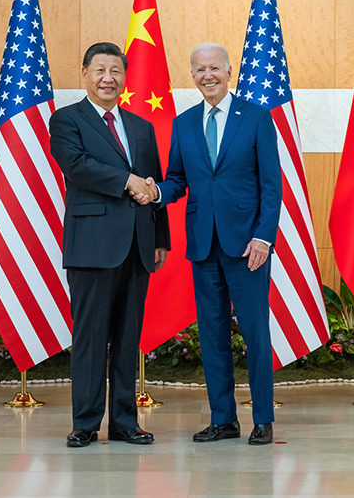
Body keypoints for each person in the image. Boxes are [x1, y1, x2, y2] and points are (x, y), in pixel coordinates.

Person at [139, 42, 281, 445]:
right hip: (203, 246)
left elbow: (271, 185)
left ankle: (264, 419)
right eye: (199, 70)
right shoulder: (183, 124)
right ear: (192, 75)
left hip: (248, 247)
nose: (207, 76)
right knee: (212, 334)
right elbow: (178, 180)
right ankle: (224, 419)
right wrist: (156, 192)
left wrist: (263, 237)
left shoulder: (256, 118)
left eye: (214, 68)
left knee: (255, 332)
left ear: (229, 71)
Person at [49, 42, 170, 448]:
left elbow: (153, 184)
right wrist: (126, 181)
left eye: (115, 71)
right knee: (90, 337)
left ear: (124, 76)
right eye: (99, 70)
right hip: (92, 246)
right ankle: (85, 423)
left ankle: (124, 422)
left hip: (138, 245)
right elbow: (76, 165)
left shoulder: (141, 126)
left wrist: (161, 238)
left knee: (127, 338)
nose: (108, 78)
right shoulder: (67, 120)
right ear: (84, 73)